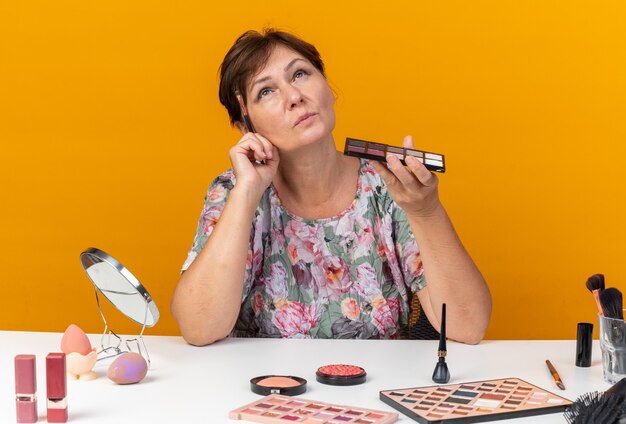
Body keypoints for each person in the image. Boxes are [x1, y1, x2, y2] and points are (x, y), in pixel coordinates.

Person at [171, 29, 492, 346]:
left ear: (328, 88)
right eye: (265, 92)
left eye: (299, 74)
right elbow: (199, 327)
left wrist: (426, 211)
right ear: (245, 126)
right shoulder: (234, 190)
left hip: (373, 390)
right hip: (267, 390)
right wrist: (246, 193)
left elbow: (468, 326)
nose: (294, 97)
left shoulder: (388, 187)